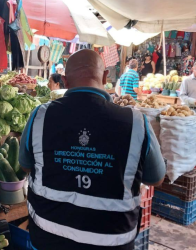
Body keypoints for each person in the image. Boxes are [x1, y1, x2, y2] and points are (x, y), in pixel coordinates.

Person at [19, 49, 166, 250]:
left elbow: (25, 166)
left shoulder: (39, 116)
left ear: (65, 81)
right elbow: (156, 178)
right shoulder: (136, 122)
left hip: (48, 239)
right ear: (105, 76)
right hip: (113, 242)